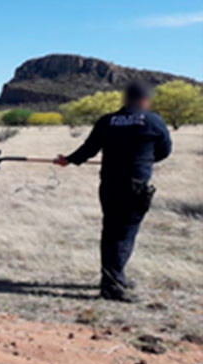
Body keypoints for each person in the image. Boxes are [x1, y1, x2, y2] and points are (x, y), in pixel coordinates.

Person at [54, 82, 172, 303]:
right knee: (123, 235)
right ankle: (112, 287)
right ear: (145, 100)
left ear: (125, 99)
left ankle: (114, 277)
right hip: (135, 186)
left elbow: (88, 149)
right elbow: (164, 151)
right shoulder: (154, 121)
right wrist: (143, 159)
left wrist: (68, 160)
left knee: (111, 232)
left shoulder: (107, 121)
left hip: (109, 185)